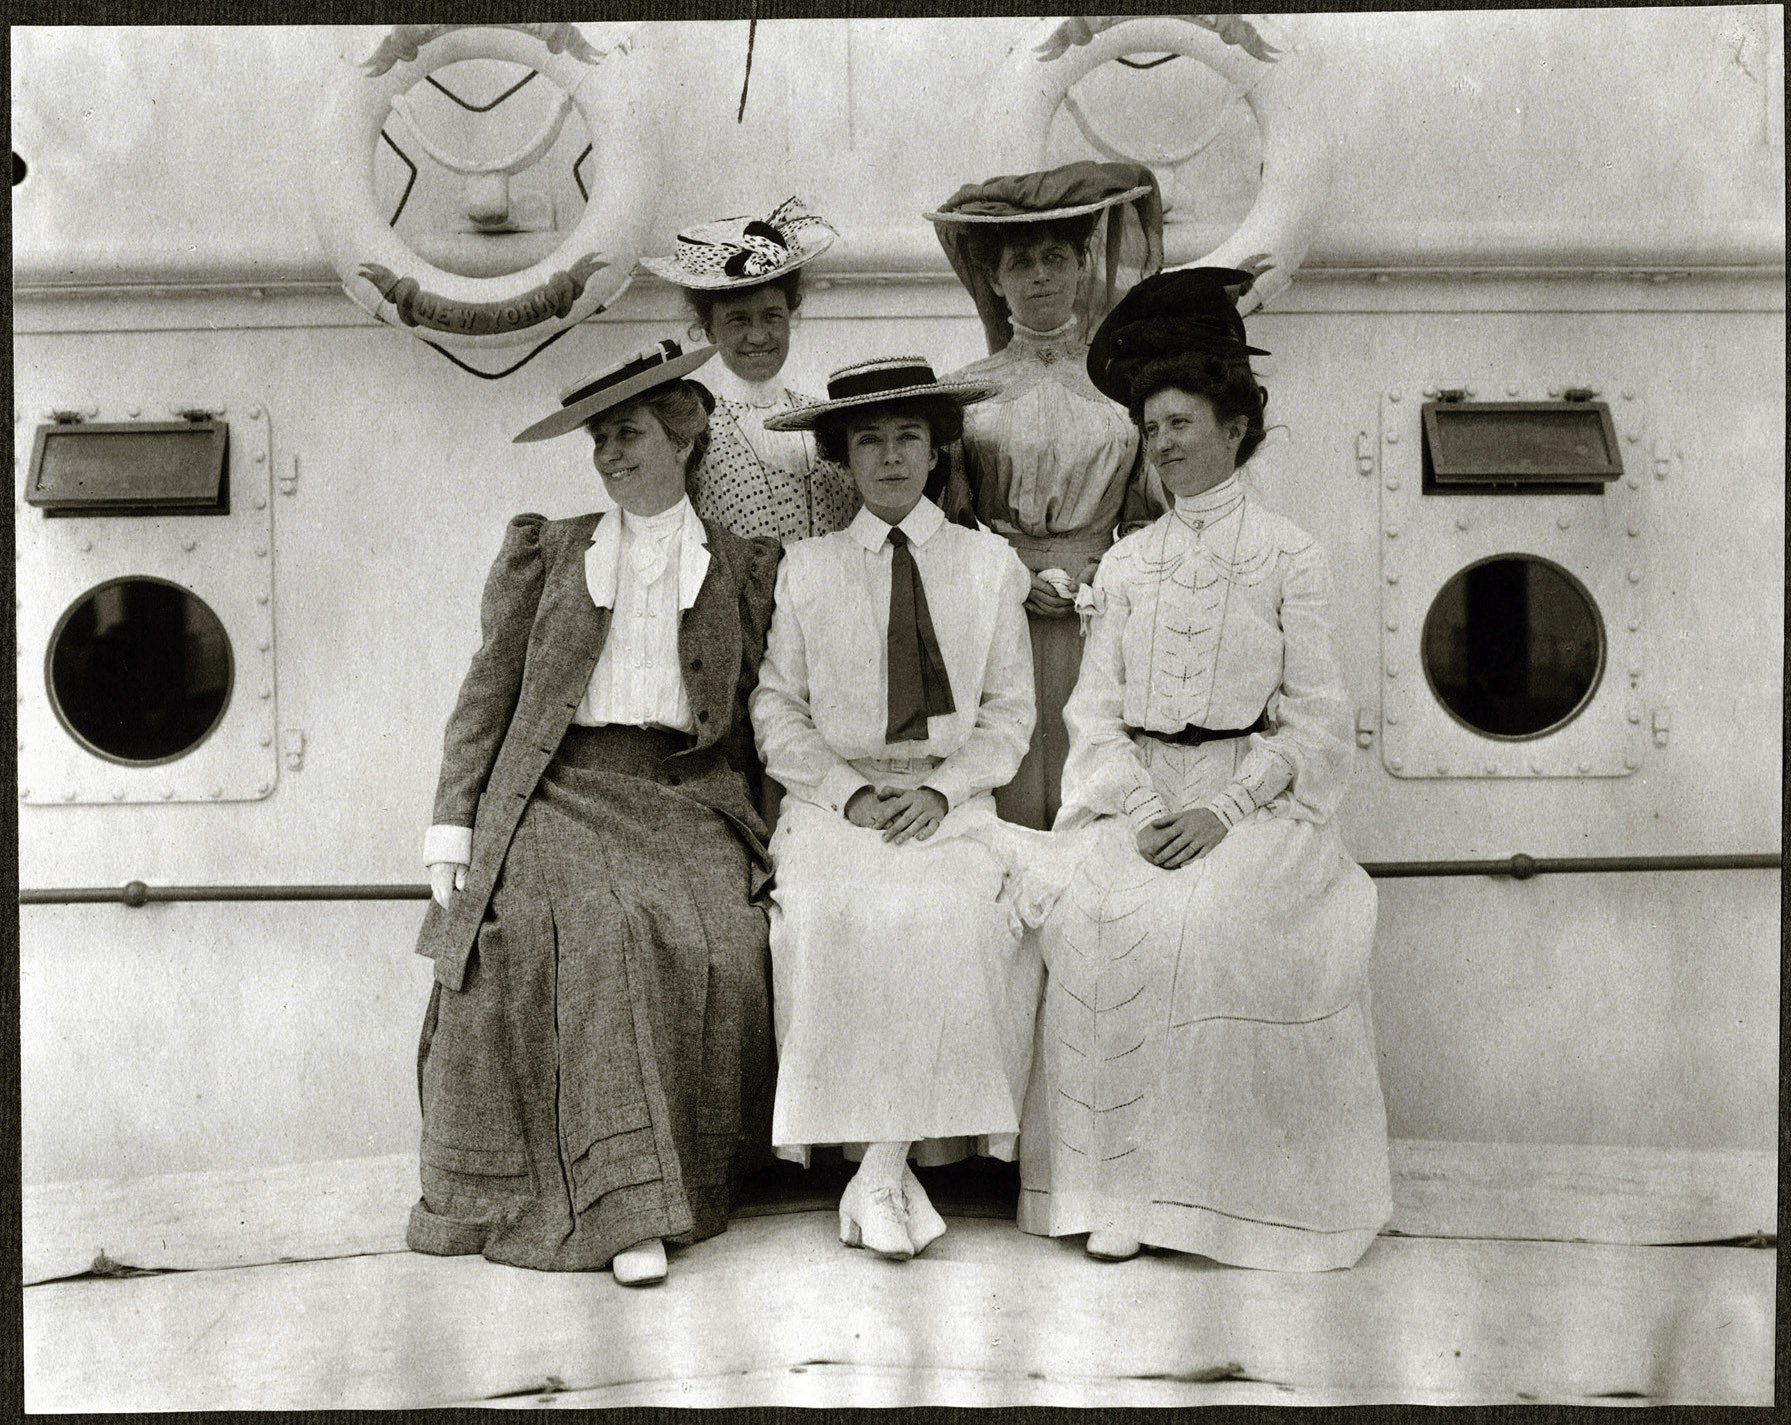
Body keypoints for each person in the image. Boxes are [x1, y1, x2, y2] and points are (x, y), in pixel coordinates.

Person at [1016, 271, 1393, 1270]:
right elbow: (1092, 710)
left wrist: (1224, 810)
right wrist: (1141, 807)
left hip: (1252, 799)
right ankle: (1108, 1190)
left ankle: (1209, 1199)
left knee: (1210, 916)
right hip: (1141, 793)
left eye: (1180, 421)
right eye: (1150, 427)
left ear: (1235, 429)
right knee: (1089, 909)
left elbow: (1317, 721)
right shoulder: (1129, 566)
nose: (1162, 442)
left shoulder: (1287, 555)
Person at [408, 339, 781, 1286]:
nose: (607, 456)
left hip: (685, 793)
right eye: (597, 442)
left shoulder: (742, 565)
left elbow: (758, 717)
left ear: (683, 436)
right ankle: (622, 1210)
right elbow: (486, 695)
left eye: (625, 435)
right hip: (556, 790)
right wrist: (453, 822)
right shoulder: (551, 549)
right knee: (592, 925)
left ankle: (678, 1179)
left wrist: (787, 837)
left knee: (714, 937)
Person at [749, 357, 1038, 1260]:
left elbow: (1008, 712)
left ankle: (878, 1169)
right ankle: (884, 1170)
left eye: (906, 436)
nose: (888, 457)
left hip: (951, 800)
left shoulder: (989, 566)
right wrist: (850, 792)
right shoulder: (806, 568)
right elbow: (777, 708)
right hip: (835, 801)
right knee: (827, 913)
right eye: (868, 440)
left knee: (957, 914)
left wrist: (942, 790)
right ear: (840, 455)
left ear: (935, 446)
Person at [924, 161, 1165, 830]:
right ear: (994, 281)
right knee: (1007, 782)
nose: (1039, 276)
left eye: (1055, 257)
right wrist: (1011, 576)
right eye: (1021, 262)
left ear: (1081, 266)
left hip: (1103, 609)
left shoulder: (1127, 384)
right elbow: (948, 521)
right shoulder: (963, 391)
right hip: (995, 610)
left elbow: (1149, 515)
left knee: (1096, 780)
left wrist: (1102, 573)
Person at [642, 197, 859, 542]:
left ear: (791, 315)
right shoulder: (693, 436)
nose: (758, 336)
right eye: (738, 320)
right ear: (710, 330)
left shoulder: (831, 421)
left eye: (772, 316)